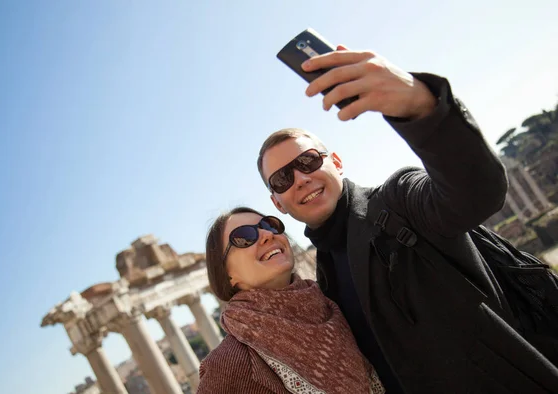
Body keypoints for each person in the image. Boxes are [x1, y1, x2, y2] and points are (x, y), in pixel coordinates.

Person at [257, 46, 558, 393]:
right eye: (282, 180)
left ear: (336, 162)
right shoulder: (323, 281)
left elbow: (477, 192)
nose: (300, 179)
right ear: (277, 202)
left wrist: (422, 108)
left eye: (308, 161)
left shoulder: (399, 199)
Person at [197, 207, 384, 394]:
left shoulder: (337, 303)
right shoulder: (228, 364)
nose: (266, 234)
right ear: (228, 275)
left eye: (269, 225)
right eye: (244, 237)